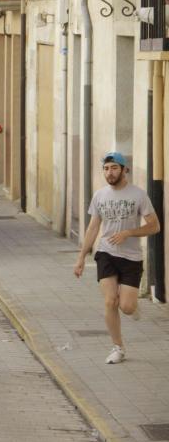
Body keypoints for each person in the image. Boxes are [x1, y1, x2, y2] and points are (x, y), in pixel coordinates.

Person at [73, 152, 160, 364]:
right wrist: (82, 257)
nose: (109, 172)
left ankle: (132, 306)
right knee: (110, 301)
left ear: (124, 170)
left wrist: (129, 233)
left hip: (131, 257)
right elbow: (93, 227)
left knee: (127, 307)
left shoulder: (138, 195)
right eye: (106, 168)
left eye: (113, 168)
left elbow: (155, 226)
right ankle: (118, 348)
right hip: (106, 253)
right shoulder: (100, 195)